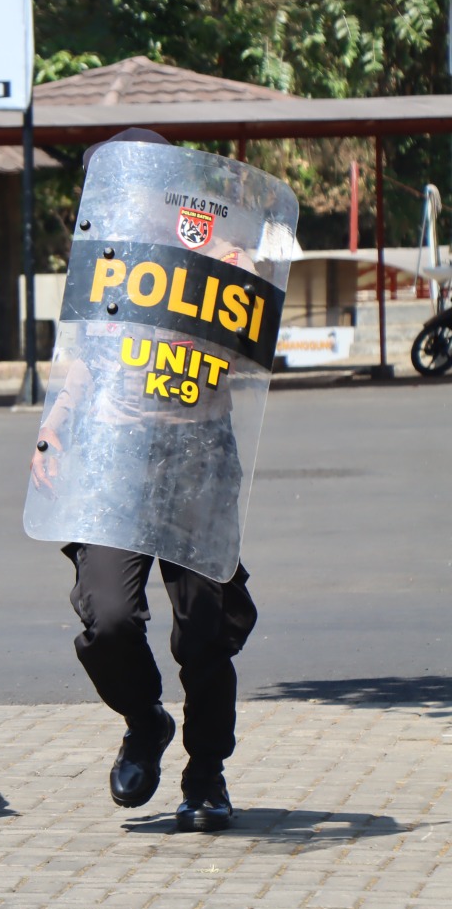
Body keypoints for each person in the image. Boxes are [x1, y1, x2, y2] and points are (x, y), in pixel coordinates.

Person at [28, 128, 271, 834]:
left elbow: (252, 345)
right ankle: (144, 722)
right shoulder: (100, 259)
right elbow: (80, 356)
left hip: (197, 455)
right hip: (113, 457)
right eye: (103, 190)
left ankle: (206, 772)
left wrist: (229, 276)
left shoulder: (218, 252)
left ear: (161, 185)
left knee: (202, 635)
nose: (113, 201)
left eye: (126, 186)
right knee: (105, 619)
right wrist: (53, 428)